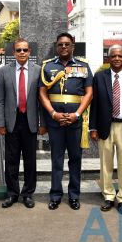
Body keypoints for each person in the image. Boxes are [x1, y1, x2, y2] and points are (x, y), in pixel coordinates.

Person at [38, 32, 93, 211]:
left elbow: (89, 93)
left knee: (75, 159)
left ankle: (74, 196)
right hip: (55, 121)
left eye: (67, 44)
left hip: (75, 121)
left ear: (73, 46)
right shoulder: (47, 66)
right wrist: (53, 113)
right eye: (60, 44)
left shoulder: (83, 66)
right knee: (56, 159)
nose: (63, 47)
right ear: (56, 46)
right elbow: (42, 93)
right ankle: (55, 195)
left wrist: (77, 114)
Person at [90, 45, 122, 216]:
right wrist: (93, 127)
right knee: (106, 164)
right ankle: (108, 196)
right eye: (113, 56)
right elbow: (94, 103)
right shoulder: (99, 77)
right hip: (105, 126)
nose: (117, 58)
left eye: (120, 56)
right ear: (108, 58)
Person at [0, 38, 46, 209]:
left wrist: (42, 123)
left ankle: (28, 194)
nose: (22, 53)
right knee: (11, 160)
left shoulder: (38, 70)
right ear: (14, 52)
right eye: (18, 50)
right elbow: (0, 100)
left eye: (25, 50)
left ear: (29, 52)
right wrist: (0, 123)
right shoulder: (4, 71)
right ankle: (12, 193)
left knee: (30, 161)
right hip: (11, 121)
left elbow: (42, 100)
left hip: (30, 121)